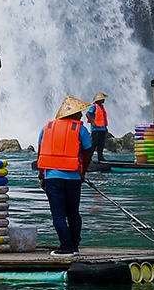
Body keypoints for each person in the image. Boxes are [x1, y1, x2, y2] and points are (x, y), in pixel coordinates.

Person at [36, 95, 94, 254]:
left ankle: (66, 246)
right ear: (72, 114)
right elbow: (88, 152)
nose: (81, 115)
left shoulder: (46, 127)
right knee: (73, 212)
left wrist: (42, 176)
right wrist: (83, 171)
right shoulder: (80, 129)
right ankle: (74, 245)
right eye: (79, 112)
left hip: (52, 178)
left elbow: (41, 153)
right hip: (73, 177)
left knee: (58, 214)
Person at [90, 93, 111, 161]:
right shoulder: (94, 106)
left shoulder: (102, 107)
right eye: (102, 99)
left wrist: (105, 127)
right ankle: (89, 157)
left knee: (101, 144)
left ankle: (100, 157)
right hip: (96, 129)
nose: (103, 100)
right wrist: (93, 122)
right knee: (94, 144)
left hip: (102, 128)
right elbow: (88, 114)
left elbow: (103, 118)